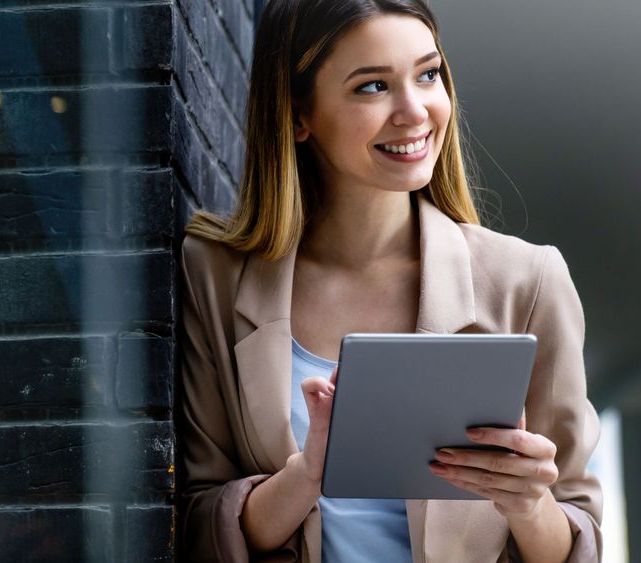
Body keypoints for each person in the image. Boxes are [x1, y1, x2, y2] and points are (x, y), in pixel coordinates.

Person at [175, 0, 604, 561]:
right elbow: (197, 524)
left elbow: (579, 535)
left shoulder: (528, 281)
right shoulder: (216, 275)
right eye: (372, 87)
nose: (414, 111)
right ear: (299, 115)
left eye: (428, 75)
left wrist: (527, 504)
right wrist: (307, 474)